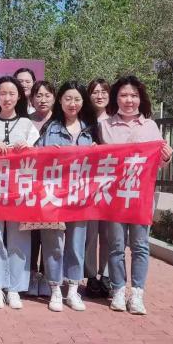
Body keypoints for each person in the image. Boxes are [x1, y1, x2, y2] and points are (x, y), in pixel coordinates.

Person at [100, 76, 172, 315]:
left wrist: (166, 156)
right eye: (123, 95)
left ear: (141, 99)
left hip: (141, 196)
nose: (128, 100)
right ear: (116, 98)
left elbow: (158, 162)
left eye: (133, 95)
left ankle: (137, 293)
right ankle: (119, 290)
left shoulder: (150, 126)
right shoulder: (105, 125)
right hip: (115, 197)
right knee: (116, 246)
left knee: (140, 246)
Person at [37, 81, 99, 312]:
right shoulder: (50, 129)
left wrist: (96, 152)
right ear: (60, 101)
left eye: (77, 99)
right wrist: (44, 152)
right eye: (68, 99)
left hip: (80, 196)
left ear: (83, 102)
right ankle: (55, 288)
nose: (72, 104)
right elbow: (35, 158)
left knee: (76, 242)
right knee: (53, 242)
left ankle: (73, 289)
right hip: (53, 195)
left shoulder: (90, 130)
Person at [0, 76, 39, 309]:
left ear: (19, 96)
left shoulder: (28, 125)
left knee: (19, 238)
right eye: (2, 93)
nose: (7, 98)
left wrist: (28, 149)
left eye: (12, 93)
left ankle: (14, 288)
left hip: (19, 190)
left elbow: (37, 158)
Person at [27, 80, 56, 297]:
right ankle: (30, 274)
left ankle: (47, 275)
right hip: (30, 184)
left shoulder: (60, 122)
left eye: (47, 95)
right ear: (31, 99)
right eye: (38, 95)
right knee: (31, 232)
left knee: (51, 232)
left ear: (54, 98)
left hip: (53, 186)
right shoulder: (25, 121)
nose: (42, 100)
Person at [85, 78, 112, 298]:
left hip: (111, 184)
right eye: (95, 91)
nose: (99, 95)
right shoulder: (83, 120)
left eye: (104, 91)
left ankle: (107, 275)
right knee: (90, 232)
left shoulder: (115, 120)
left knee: (109, 233)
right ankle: (91, 276)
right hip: (88, 184)